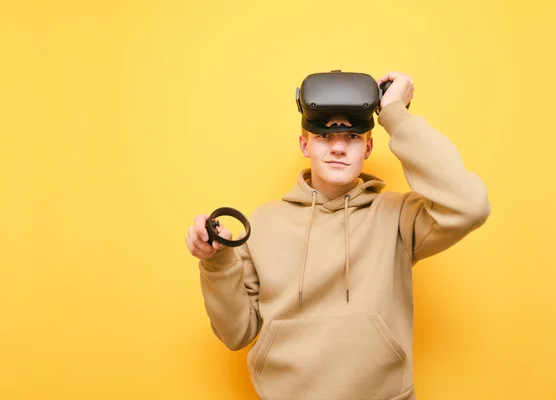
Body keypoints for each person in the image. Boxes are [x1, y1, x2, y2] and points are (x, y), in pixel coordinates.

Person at [185, 71, 491, 400]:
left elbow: (469, 205)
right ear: (305, 144)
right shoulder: (263, 224)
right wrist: (217, 261)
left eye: (353, 137)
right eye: (325, 137)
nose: (339, 148)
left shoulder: (397, 217)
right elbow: (236, 333)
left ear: (369, 147)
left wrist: (394, 112)